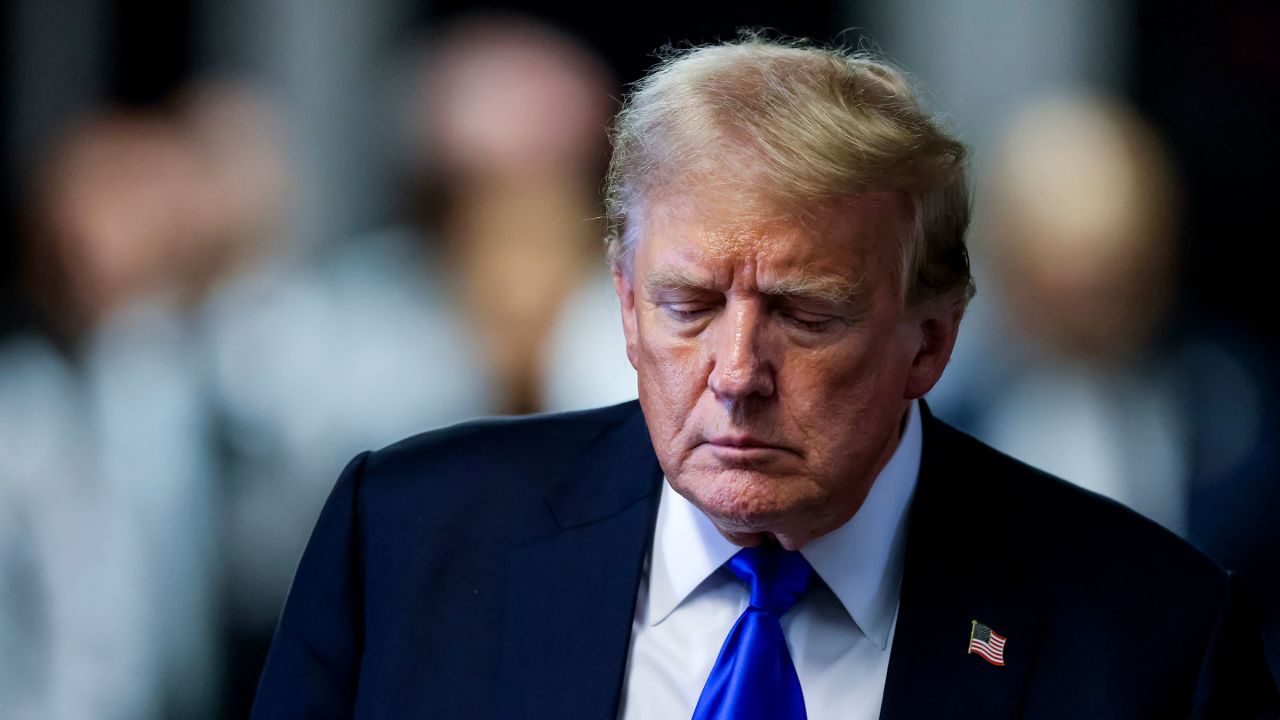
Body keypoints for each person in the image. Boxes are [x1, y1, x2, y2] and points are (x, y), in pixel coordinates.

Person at [251, 38, 1278, 719]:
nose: (735, 374)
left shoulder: (1150, 641)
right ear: (620, 303)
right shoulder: (404, 545)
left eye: (803, 314)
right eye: (687, 306)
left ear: (929, 339)